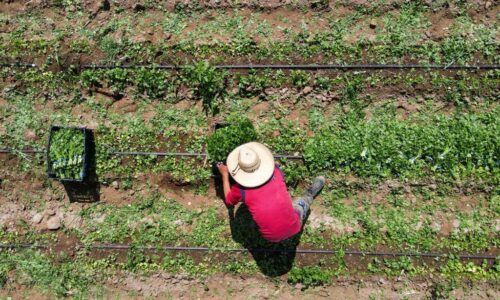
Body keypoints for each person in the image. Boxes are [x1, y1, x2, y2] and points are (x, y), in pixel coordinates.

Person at [217, 142, 325, 243]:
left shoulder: (241, 190)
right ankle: (308, 196)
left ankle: (307, 197)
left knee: (261, 211)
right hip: (294, 227)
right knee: (300, 204)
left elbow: (229, 201)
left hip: (271, 238)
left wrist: (225, 175)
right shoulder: (276, 171)